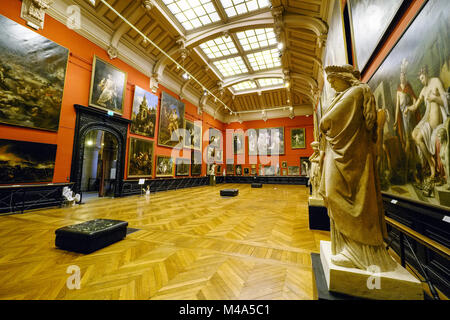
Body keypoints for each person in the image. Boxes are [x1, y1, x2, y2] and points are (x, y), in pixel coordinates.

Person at [319, 64, 397, 272]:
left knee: (336, 194)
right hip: (342, 155)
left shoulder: (353, 93)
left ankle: (357, 251)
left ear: (344, 78)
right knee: (335, 193)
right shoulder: (349, 94)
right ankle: (349, 248)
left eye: (333, 81)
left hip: (347, 158)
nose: (332, 85)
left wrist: (322, 124)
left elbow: (328, 120)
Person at [406, 65, 448, 182]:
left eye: (422, 78)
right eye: (420, 79)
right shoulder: (423, 90)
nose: (422, 81)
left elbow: (445, 99)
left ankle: (431, 165)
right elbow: (415, 106)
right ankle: (430, 160)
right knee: (414, 135)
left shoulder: (435, 81)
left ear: (426, 74)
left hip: (435, 120)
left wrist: (434, 98)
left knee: (418, 137)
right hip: (427, 119)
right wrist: (408, 108)